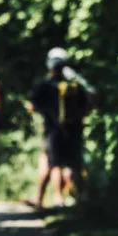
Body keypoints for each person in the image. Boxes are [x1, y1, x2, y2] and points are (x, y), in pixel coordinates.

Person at [28, 47, 92, 208]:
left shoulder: (45, 84)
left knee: (55, 164)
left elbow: (32, 106)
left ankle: (58, 198)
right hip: (74, 129)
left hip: (53, 131)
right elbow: (88, 105)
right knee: (72, 164)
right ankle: (74, 197)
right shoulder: (75, 84)